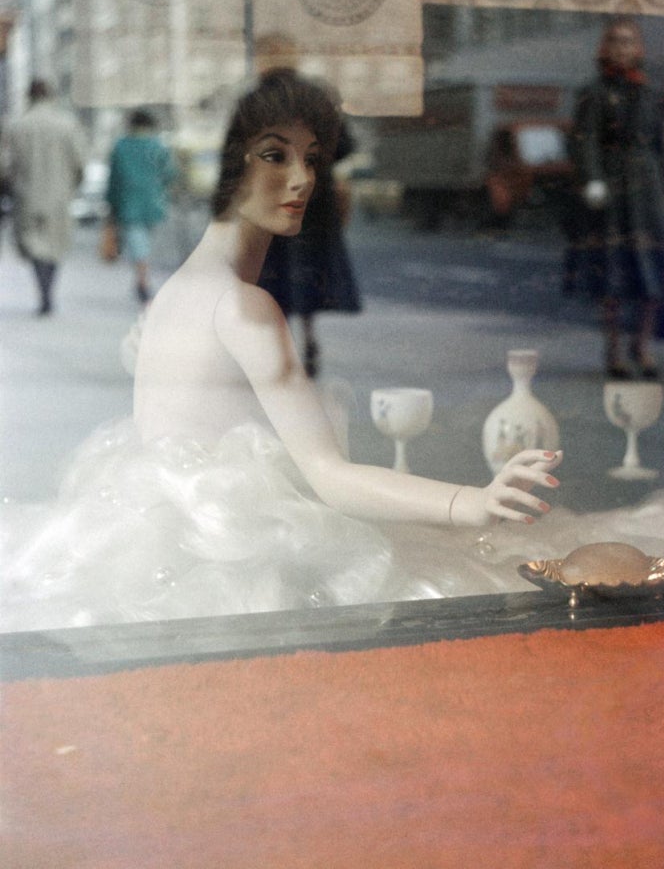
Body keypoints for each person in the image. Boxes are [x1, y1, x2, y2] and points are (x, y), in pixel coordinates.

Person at [1, 70, 563, 632]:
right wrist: (471, 502)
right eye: (276, 156)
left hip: (164, 560)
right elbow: (328, 476)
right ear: (233, 166)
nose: (302, 180)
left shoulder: (180, 291)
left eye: (312, 159)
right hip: (235, 570)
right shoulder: (242, 308)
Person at [570, 17, 664, 379]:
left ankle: (641, 347)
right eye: (615, 41)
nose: (622, 47)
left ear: (638, 48)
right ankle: (613, 351)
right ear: (605, 48)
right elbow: (584, 142)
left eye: (629, 41)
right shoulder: (593, 92)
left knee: (652, 274)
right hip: (612, 192)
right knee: (612, 274)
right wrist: (592, 180)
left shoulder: (651, 92)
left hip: (648, 192)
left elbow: (661, 146)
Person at [255, 34, 361, 377]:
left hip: (270, 202)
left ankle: (280, 353)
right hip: (314, 202)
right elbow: (345, 145)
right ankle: (309, 338)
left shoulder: (255, 101)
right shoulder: (316, 97)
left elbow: (234, 159)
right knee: (307, 274)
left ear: (263, 61)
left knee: (274, 278)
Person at [0, 79, 85, 315]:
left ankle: (43, 290)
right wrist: (73, 185)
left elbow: (6, 165)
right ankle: (49, 289)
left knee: (34, 244)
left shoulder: (18, 126)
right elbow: (79, 162)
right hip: (59, 195)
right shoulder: (67, 125)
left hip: (27, 194)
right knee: (55, 244)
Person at [106, 109, 177, 304]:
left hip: (128, 202)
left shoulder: (121, 146)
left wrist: (111, 203)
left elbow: (113, 179)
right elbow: (171, 174)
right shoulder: (158, 146)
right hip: (153, 203)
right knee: (143, 242)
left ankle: (142, 280)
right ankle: (142, 280)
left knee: (137, 242)